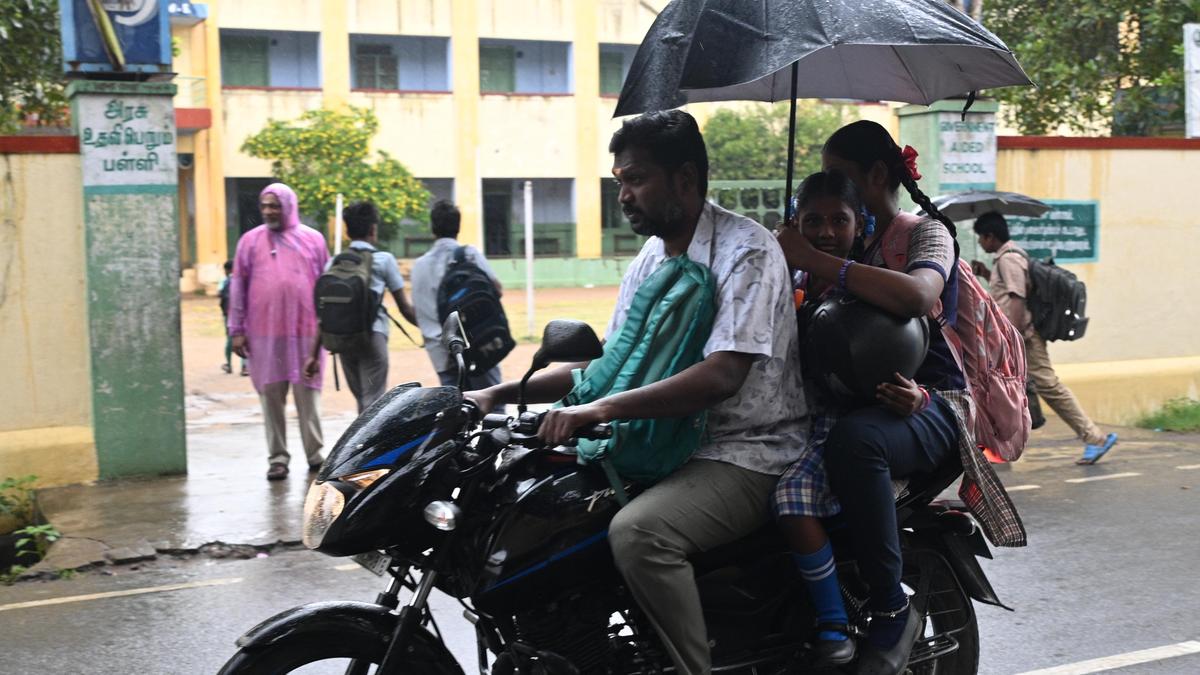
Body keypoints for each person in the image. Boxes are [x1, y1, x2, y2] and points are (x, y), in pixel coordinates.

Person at [468, 110, 807, 675]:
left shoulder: (746, 251)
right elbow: (612, 362)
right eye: (619, 181)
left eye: (636, 179)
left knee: (638, 533)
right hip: (658, 441)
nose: (623, 194)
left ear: (685, 179)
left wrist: (598, 409)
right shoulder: (652, 259)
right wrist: (496, 395)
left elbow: (724, 374)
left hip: (743, 450)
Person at [776, 121, 1024, 675]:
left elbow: (917, 295)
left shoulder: (925, 234)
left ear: (877, 176)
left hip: (931, 401)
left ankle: (892, 605)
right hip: (847, 399)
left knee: (856, 443)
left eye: (839, 179)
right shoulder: (838, 235)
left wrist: (815, 259)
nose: (827, 208)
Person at [773, 171, 930, 668]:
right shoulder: (786, 277)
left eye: (837, 221)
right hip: (785, 419)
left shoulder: (868, 280)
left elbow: (909, 329)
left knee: (791, 499)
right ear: (793, 223)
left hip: (837, 424)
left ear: (859, 225)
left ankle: (833, 622)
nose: (824, 231)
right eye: (811, 221)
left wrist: (913, 394)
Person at [971, 212, 1118, 464]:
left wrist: (1012, 336)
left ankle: (1096, 438)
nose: (982, 244)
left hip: (1024, 337)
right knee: (999, 386)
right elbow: (1010, 292)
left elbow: (1017, 297)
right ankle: (997, 447)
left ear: (990, 236)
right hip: (1018, 336)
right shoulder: (1007, 258)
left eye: (981, 239)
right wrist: (986, 273)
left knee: (1049, 385)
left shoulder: (1008, 259)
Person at [228, 183, 330, 481]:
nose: (269, 211)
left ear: (289, 205)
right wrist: (236, 330)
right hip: (264, 334)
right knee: (271, 396)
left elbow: (326, 287)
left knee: (307, 394)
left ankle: (315, 454)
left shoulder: (313, 240)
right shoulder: (249, 242)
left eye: (275, 205)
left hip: (306, 334)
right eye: (265, 206)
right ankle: (278, 458)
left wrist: (329, 328)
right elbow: (237, 287)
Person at [303, 201, 418, 413]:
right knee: (373, 405)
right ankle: (371, 447)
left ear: (347, 231)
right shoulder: (384, 260)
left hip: (343, 339)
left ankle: (360, 445)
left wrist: (312, 355)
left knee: (362, 404)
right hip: (373, 338)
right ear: (373, 229)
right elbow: (406, 309)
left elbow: (324, 315)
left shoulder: (334, 264)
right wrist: (432, 329)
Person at [410, 200, 504, 389]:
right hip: (477, 343)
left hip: (440, 351)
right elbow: (497, 290)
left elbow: (419, 311)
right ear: (458, 226)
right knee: (491, 403)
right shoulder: (470, 255)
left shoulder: (419, 266)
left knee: (454, 407)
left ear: (433, 228)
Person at [218, 260, 247, 376]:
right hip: (243, 315)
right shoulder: (243, 280)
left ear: (227, 270)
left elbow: (220, 296)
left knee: (230, 341)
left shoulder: (225, 282)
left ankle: (228, 365)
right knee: (244, 342)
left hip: (228, 315)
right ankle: (245, 366)